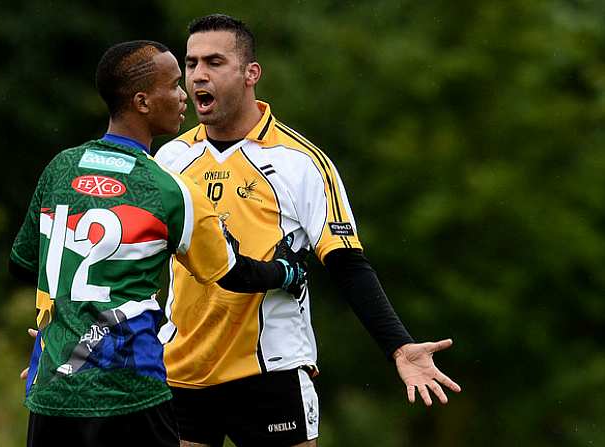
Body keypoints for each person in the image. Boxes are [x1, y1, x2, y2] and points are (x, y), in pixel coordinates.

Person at [153, 14, 462, 447]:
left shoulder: (301, 161)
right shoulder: (167, 161)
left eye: (215, 62)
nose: (199, 75)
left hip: (270, 371)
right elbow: (132, 257)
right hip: (180, 369)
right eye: (192, 63)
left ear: (250, 74)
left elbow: (348, 264)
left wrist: (399, 346)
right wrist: (69, 331)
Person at [9, 40, 308, 447]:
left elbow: (24, 264)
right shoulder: (169, 189)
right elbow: (232, 274)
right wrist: (286, 270)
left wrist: (67, 325)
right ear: (142, 102)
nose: (184, 94)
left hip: (53, 393)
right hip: (132, 393)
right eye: (173, 85)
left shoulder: (60, 168)